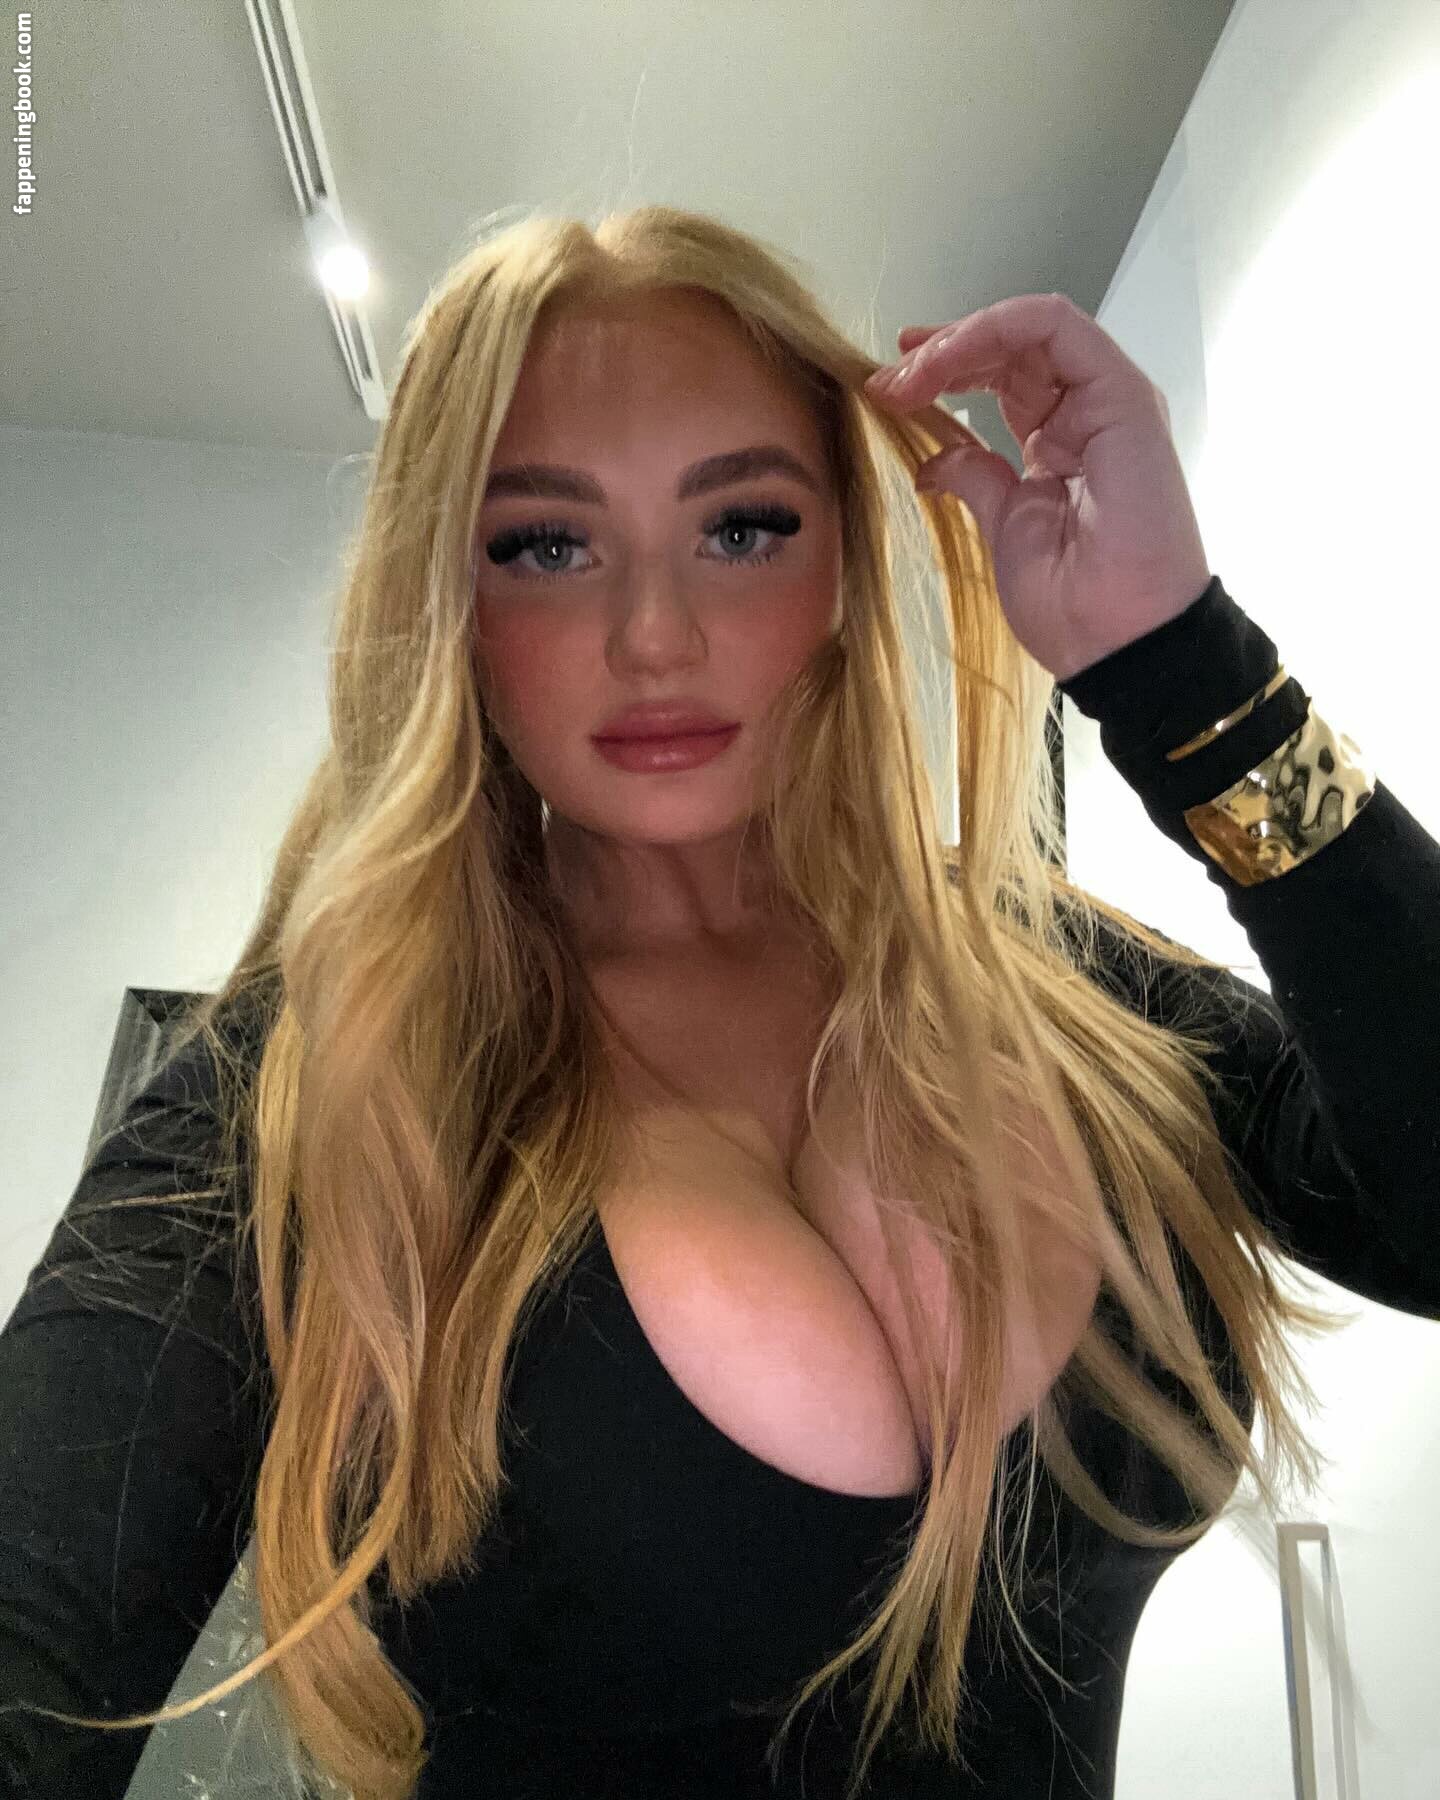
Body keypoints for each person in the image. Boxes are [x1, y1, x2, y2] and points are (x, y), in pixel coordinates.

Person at [2, 205, 1436, 1800]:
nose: (655, 637)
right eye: (545, 546)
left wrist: (1185, 670)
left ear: (844, 566)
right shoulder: (312, 1094)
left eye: (742, 526)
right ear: (446, 603)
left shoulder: (1063, 990)